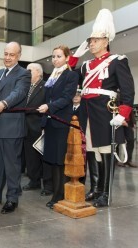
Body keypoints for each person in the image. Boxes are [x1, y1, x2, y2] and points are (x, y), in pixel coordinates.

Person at [70, 9, 135, 207]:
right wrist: (74, 58)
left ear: (106, 41)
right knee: (93, 151)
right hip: (88, 112)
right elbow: (69, 75)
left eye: (95, 40)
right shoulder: (86, 65)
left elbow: (128, 89)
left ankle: (105, 194)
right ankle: (97, 188)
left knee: (106, 152)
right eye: (90, 41)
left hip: (106, 111)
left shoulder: (118, 61)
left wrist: (123, 113)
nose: (91, 44)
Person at [0, 41, 31, 214]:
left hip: (12, 126)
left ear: (18, 56)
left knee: (12, 165)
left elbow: (18, 93)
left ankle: (12, 198)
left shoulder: (24, 74)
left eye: (11, 55)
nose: (8, 58)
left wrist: (4, 103)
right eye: (6, 54)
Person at [37, 45, 78, 209]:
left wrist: (49, 106)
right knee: (52, 159)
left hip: (61, 121)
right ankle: (56, 191)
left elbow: (67, 97)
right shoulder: (51, 77)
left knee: (60, 160)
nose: (55, 59)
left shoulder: (71, 75)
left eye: (59, 56)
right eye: (53, 56)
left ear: (67, 58)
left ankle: (59, 194)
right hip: (49, 122)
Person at [22, 63, 45, 191]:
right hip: (26, 127)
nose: (27, 73)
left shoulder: (46, 86)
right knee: (30, 156)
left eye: (29, 71)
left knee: (42, 156)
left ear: (38, 72)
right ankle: (34, 181)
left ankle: (47, 183)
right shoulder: (26, 87)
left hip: (39, 126)